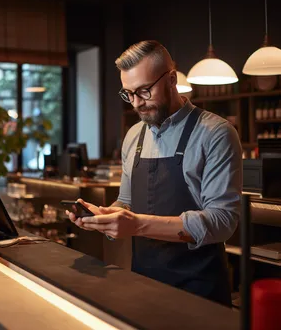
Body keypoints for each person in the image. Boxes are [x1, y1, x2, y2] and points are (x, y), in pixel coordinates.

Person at [66, 40, 242, 307]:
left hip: (199, 289)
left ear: (171, 79)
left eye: (144, 91)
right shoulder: (134, 135)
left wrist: (135, 224)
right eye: (128, 94)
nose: (136, 103)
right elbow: (126, 202)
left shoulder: (216, 134)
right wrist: (105, 217)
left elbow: (223, 222)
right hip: (144, 282)